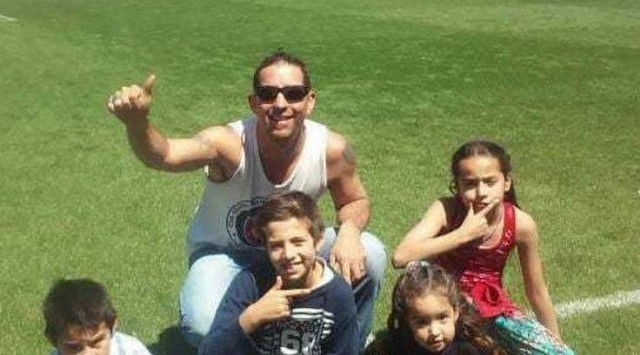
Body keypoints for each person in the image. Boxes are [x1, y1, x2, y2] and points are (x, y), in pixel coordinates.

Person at [106, 51, 386, 349]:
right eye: (268, 94)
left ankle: (350, 339)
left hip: (292, 244)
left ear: (310, 101)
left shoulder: (331, 150)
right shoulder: (228, 143)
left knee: (370, 253)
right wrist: (138, 123)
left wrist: (350, 232)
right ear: (253, 102)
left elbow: (355, 201)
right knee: (203, 326)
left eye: (293, 94)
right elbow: (164, 155)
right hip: (226, 253)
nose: (280, 104)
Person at [392, 140, 574, 354]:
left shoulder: (521, 224)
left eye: (490, 182)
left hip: (489, 310)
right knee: (417, 267)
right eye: (470, 184)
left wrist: (556, 343)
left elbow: (536, 291)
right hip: (441, 306)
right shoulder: (446, 210)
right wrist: (462, 235)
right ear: (457, 186)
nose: (481, 192)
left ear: (506, 183)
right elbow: (400, 256)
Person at [199, 191, 359, 355]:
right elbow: (209, 350)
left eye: (298, 242)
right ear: (265, 248)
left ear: (318, 241)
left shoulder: (337, 294)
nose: (288, 254)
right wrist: (252, 317)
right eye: (276, 246)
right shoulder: (251, 283)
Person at [366, 262, 503, 355]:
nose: (434, 332)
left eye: (442, 317)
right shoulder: (394, 348)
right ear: (407, 321)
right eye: (421, 322)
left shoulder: (471, 347)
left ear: (455, 312)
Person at [43, 278, 151, 355]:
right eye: (74, 347)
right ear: (53, 340)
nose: (87, 353)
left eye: (96, 342)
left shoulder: (132, 352)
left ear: (113, 327)